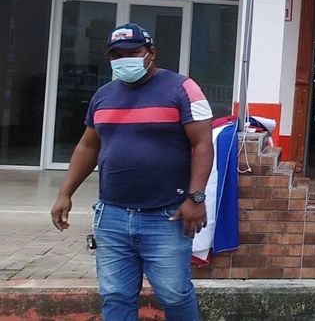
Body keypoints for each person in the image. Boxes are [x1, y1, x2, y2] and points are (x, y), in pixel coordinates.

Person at [51, 23, 213, 321]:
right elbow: (88, 146)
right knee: (115, 295)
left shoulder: (182, 88)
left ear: (152, 53)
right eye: (116, 55)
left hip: (166, 215)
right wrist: (65, 193)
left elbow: (202, 144)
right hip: (112, 215)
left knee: (174, 294)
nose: (124, 59)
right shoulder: (103, 95)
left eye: (133, 52)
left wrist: (196, 197)